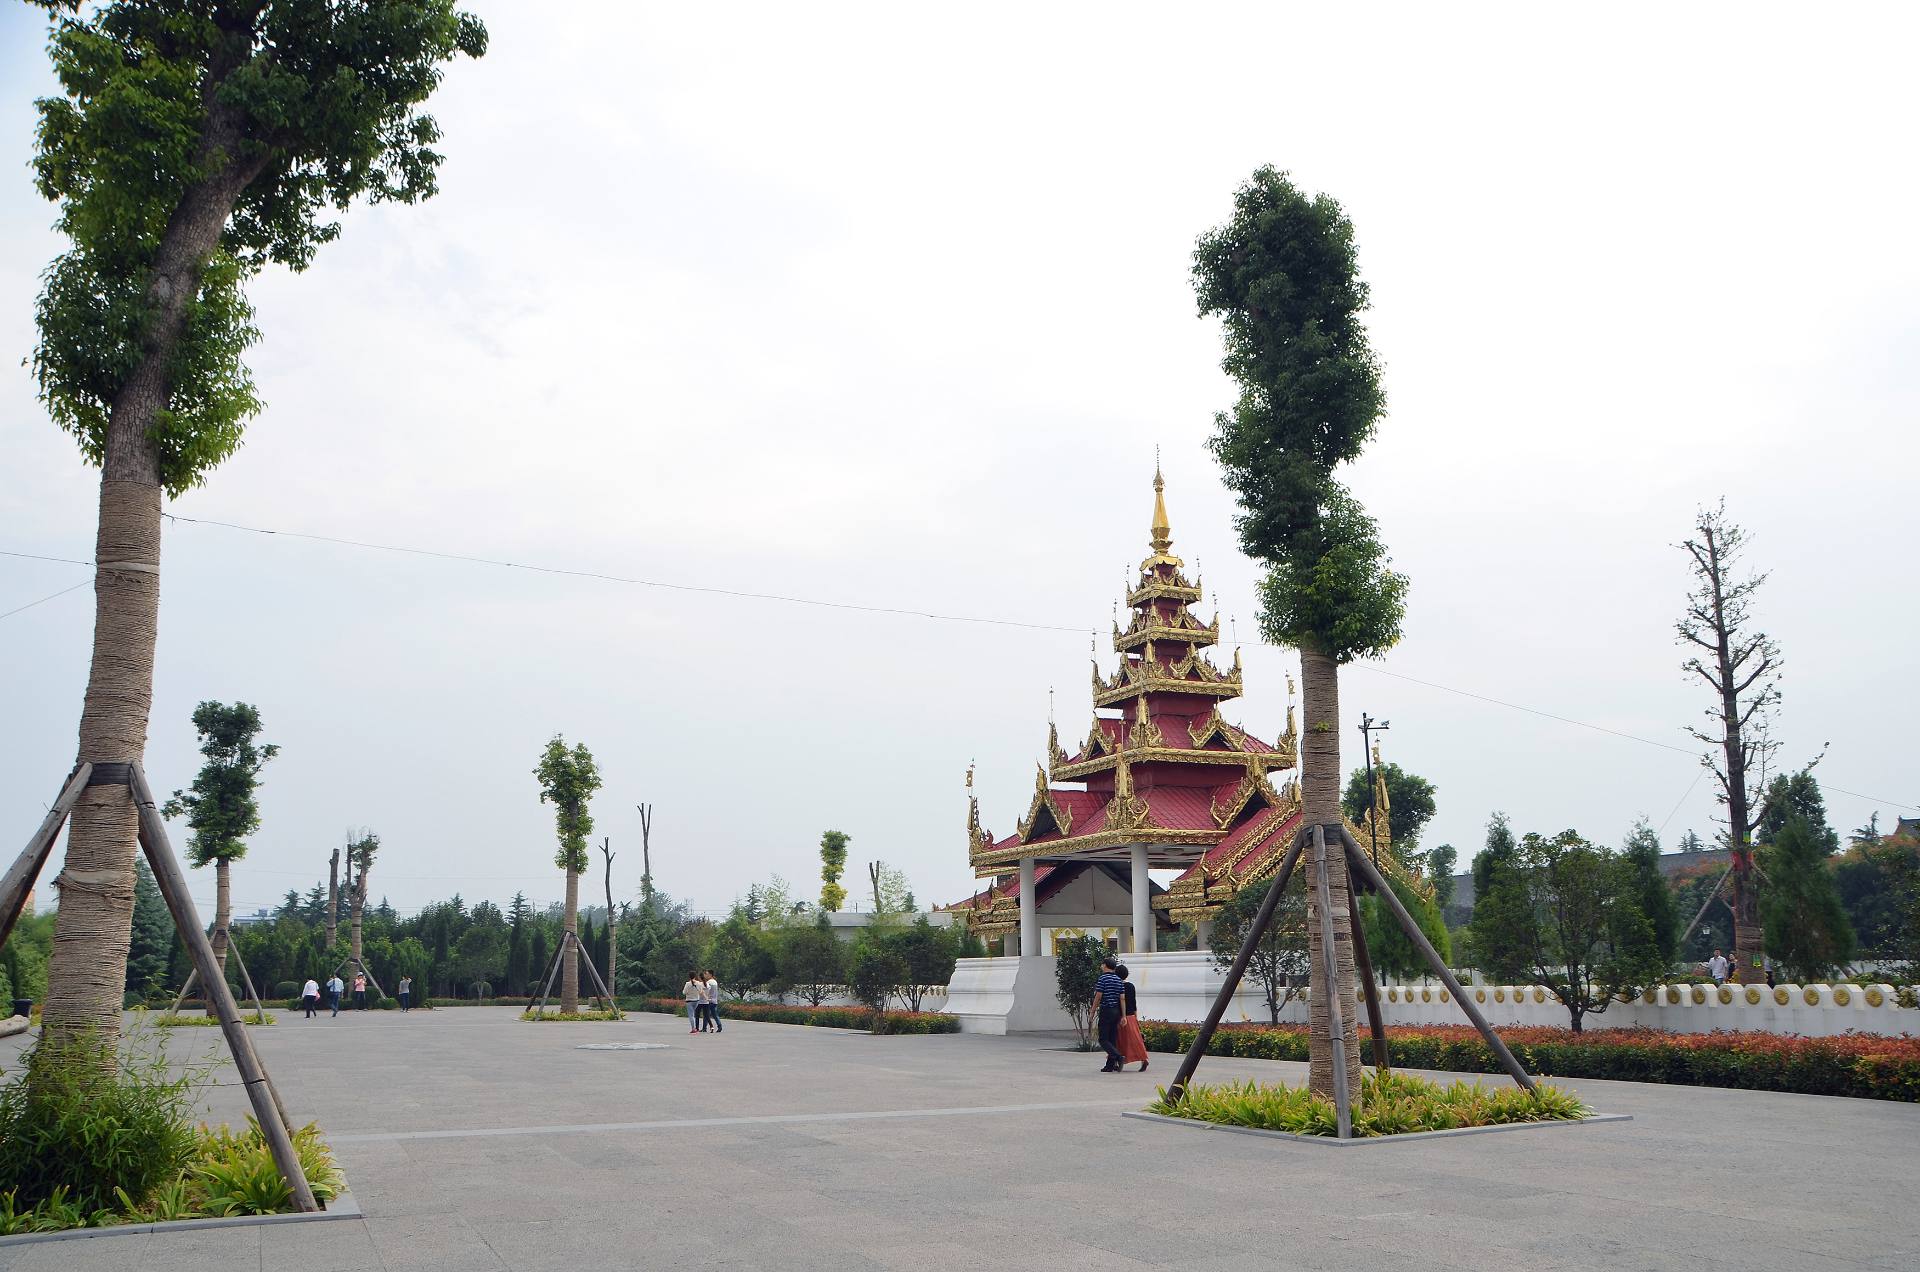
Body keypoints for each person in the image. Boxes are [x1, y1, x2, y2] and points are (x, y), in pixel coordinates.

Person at [1091, 955, 1126, 1073]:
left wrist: (1092, 1011)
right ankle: (1109, 1065)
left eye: (1102, 964)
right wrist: (1124, 1016)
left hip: (1106, 1010)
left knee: (1103, 1039)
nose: (1101, 966)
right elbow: (1122, 998)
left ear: (1105, 966)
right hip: (1116, 1011)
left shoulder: (1103, 979)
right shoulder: (1118, 980)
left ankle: (1118, 1056)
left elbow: (1098, 996)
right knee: (1112, 1039)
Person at [1115, 962, 1148, 1073]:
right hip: (1131, 1016)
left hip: (1121, 1016)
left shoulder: (1117, 986)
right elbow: (1133, 1002)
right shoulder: (1130, 986)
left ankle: (1117, 1060)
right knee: (1136, 1039)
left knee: (1119, 1040)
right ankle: (1143, 1059)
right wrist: (1135, 1016)